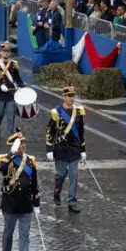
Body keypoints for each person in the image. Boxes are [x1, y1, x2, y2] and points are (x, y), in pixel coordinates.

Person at [0, 130, 40, 251]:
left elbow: (34, 183)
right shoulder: (6, 159)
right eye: (21, 143)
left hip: (25, 205)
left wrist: (36, 203)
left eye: (24, 143)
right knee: (8, 233)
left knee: (24, 236)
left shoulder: (30, 161)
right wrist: (11, 154)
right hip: (10, 204)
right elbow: (1, 169)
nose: (24, 146)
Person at [45, 84, 85, 213]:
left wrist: (83, 150)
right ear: (63, 96)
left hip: (74, 149)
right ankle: (56, 192)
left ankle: (72, 201)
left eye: (73, 96)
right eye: (69, 96)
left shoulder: (79, 112)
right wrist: (49, 149)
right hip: (60, 149)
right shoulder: (56, 112)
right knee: (61, 175)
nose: (71, 98)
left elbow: (81, 132)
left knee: (74, 176)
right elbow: (49, 132)